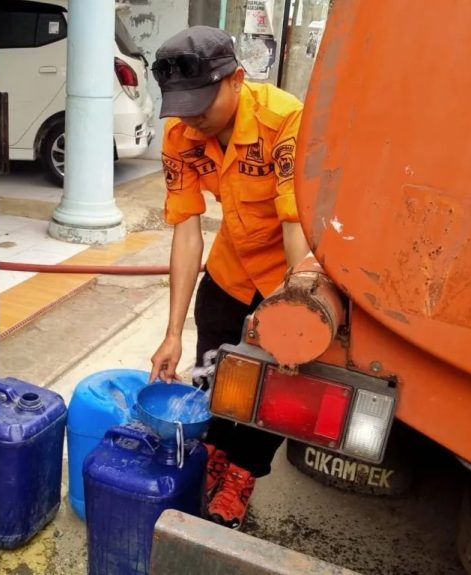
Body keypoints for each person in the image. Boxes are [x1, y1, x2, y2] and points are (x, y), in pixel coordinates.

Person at [148, 26, 312, 529]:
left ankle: (243, 471)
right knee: (214, 376)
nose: (190, 117)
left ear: (237, 79)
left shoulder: (283, 120)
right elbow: (186, 231)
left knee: (277, 385)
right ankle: (217, 451)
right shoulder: (181, 136)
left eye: (200, 102)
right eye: (180, 103)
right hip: (229, 272)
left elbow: (294, 222)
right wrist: (171, 332)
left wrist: (296, 305)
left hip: (285, 273)